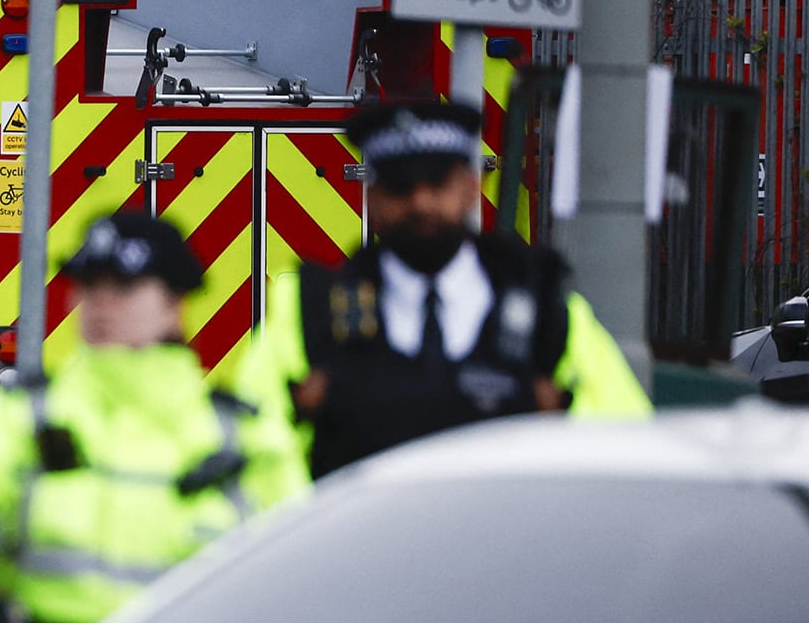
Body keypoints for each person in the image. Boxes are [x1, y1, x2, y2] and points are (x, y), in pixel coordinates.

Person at [0, 212, 307, 623]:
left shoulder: (241, 435)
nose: (101, 304)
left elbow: (293, 585)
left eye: (124, 287)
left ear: (175, 302)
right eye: (89, 286)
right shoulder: (25, 419)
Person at [234, 96, 650, 477]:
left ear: (471, 188)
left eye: (437, 184)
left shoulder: (544, 312)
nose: (421, 204)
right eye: (401, 188)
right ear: (371, 198)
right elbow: (255, 454)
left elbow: (623, 449)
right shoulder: (313, 313)